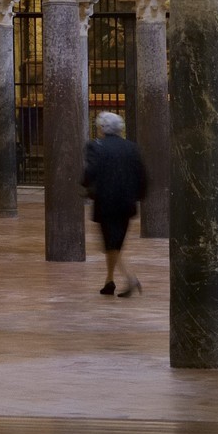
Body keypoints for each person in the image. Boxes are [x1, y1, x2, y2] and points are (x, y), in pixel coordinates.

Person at [82, 111, 147, 297]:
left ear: (102, 128)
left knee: (110, 244)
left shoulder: (95, 146)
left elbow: (90, 171)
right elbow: (141, 174)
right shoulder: (131, 147)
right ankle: (109, 281)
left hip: (106, 201)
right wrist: (139, 195)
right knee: (115, 242)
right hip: (127, 202)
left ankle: (130, 278)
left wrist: (85, 184)